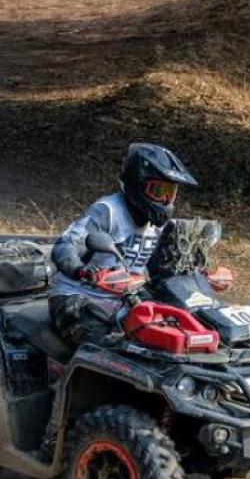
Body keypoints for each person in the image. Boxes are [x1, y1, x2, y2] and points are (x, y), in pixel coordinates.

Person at [49, 143, 198, 346]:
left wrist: (195, 277)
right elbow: (65, 246)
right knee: (109, 348)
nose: (165, 201)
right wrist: (82, 271)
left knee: (179, 333)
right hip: (77, 298)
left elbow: (162, 271)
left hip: (125, 300)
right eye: (158, 190)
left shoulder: (159, 226)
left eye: (170, 193)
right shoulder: (108, 211)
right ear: (137, 184)